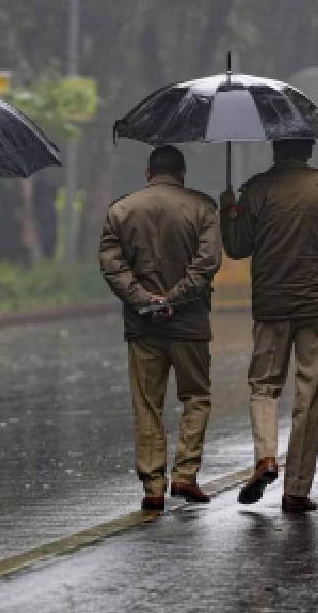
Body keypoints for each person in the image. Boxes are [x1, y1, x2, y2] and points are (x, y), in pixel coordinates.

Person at [219, 138, 318, 515]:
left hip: (271, 305)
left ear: (275, 150)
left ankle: (265, 458)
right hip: (317, 307)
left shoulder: (256, 189)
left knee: (264, 385)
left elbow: (237, 248)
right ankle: (296, 490)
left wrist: (229, 209)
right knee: (309, 393)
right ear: (309, 150)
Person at [98, 145, 221, 512]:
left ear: (149, 172)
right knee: (195, 397)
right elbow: (207, 263)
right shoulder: (203, 208)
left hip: (142, 326)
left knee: (147, 404)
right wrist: (175, 298)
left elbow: (111, 264)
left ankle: (153, 485)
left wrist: (144, 299)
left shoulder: (121, 210)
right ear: (181, 173)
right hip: (189, 324)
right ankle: (185, 473)